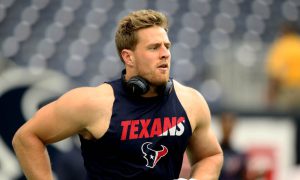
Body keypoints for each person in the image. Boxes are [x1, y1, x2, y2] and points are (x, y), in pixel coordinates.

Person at [12, 9, 223, 179]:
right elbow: (26, 137)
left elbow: (210, 156)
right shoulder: (93, 103)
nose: (165, 53)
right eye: (154, 47)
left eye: (167, 46)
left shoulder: (190, 101)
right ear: (128, 57)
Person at [265, 22, 300, 164]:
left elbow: (276, 74)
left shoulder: (282, 46)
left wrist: (270, 95)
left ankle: (288, 161)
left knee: (284, 127)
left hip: (287, 92)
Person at [219, 112, 247, 180]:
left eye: (230, 122)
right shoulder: (213, 153)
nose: (228, 126)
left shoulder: (240, 156)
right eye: (225, 122)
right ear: (221, 124)